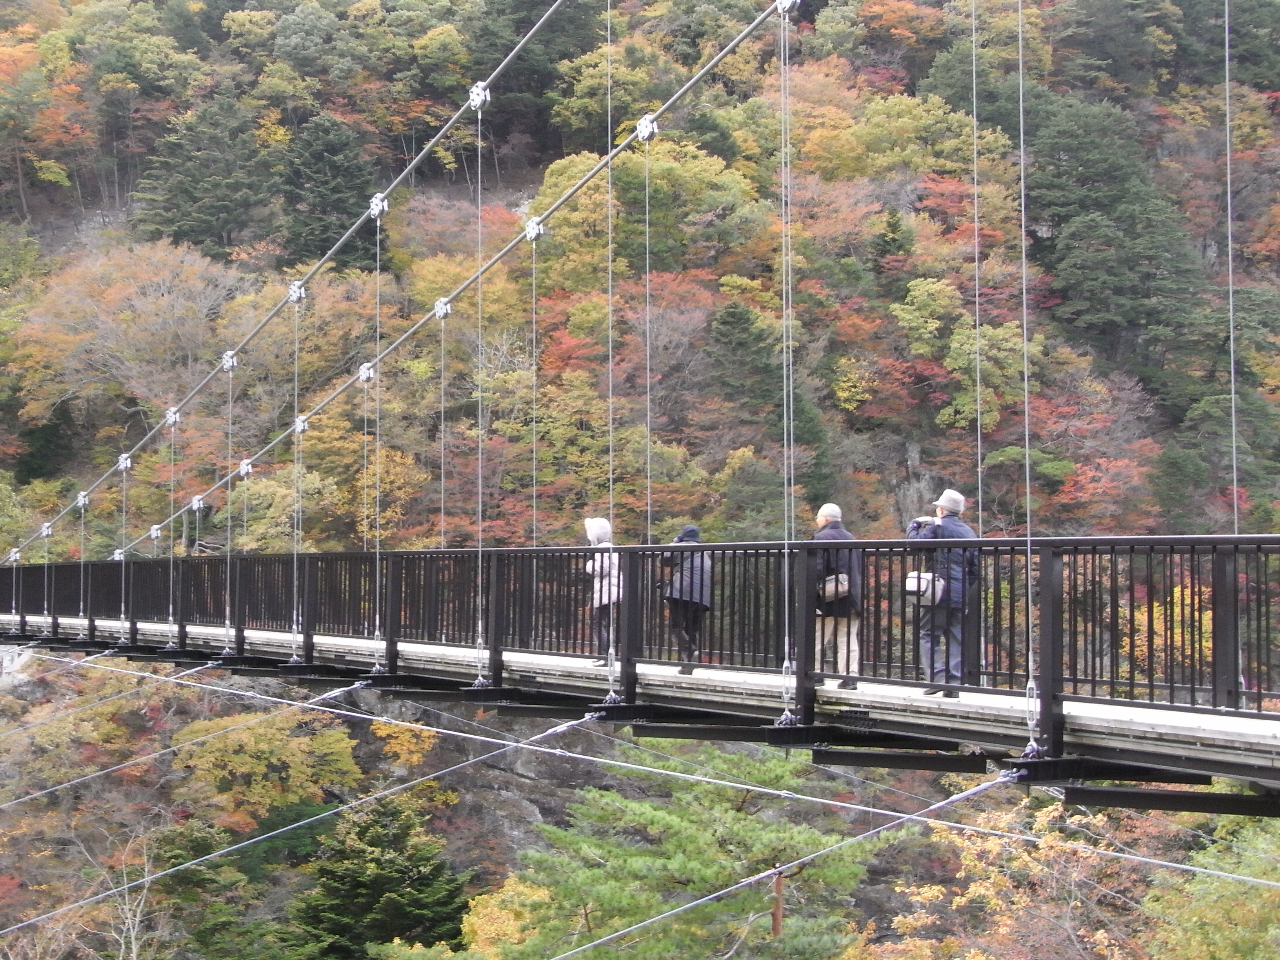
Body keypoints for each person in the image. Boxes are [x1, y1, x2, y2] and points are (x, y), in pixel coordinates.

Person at [906, 488, 978, 696]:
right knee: (955, 636)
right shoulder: (969, 532)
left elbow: (914, 544)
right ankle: (954, 684)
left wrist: (915, 525)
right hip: (959, 591)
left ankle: (937, 678)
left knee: (928, 633)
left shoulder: (937, 527)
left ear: (942, 510)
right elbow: (974, 570)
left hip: (936, 590)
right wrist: (964, 585)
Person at [811, 503, 862, 688]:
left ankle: (815, 674)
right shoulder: (851, 538)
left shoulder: (821, 538)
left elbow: (816, 569)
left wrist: (809, 593)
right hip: (851, 597)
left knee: (816, 637)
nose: (817, 521)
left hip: (827, 598)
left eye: (818, 517)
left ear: (825, 519)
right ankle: (849, 677)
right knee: (847, 639)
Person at [661, 525, 712, 674]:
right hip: (703, 595)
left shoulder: (680, 547)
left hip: (682, 591)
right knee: (692, 630)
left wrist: (674, 542)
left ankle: (689, 653)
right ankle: (688, 665)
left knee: (675, 627)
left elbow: (663, 560)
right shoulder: (704, 552)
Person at [584, 516, 621, 665]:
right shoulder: (611, 547)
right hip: (610, 589)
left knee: (596, 623)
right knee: (601, 622)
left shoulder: (601, 549)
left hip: (606, 590)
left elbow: (601, 569)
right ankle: (605, 655)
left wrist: (588, 564)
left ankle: (606, 656)